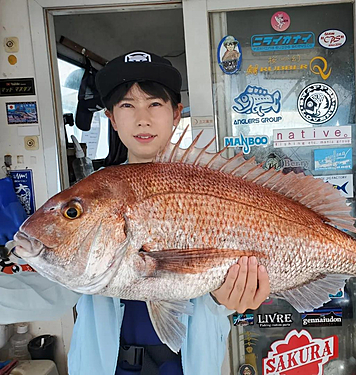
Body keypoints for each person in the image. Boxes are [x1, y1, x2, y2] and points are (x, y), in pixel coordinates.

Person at [67, 51, 270, 375]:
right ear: (111, 117)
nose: (142, 118)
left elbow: (219, 289)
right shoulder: (94, 195)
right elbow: (55, 287)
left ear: (177, 113)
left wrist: (226, 301)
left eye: (154, 104)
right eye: (127, 105)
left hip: (187, 365)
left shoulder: (211, 181)